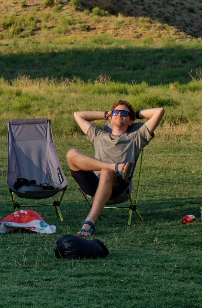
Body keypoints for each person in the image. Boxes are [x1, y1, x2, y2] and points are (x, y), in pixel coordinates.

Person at [66, 101, 164, 237]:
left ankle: (89, 222)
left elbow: (159, 111)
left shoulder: (136, 138)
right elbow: (78, 115)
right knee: (71, 154)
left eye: (124, 113)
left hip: (119, 187)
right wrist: (106, 114)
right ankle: (115, 167)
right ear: (110, 118)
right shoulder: (99, 135)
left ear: (130, 121)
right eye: (116, 112)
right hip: (95, 185)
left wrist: (134, 115)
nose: (119, 115)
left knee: (107, 172)